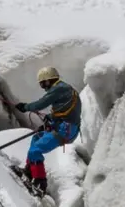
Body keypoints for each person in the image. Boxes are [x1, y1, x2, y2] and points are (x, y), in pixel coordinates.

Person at [14, 66, 81, 196]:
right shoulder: (64, 89)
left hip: (65, 130)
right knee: (36, 138)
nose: (43, 87)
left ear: (48, 81)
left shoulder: (59, 89)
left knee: (36, 150)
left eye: (42, 84)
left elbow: (41, 103)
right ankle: (30, 171)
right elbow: (64, 110)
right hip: (64, 127)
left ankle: (40, 183)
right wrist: (50, 119)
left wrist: (25, 107)